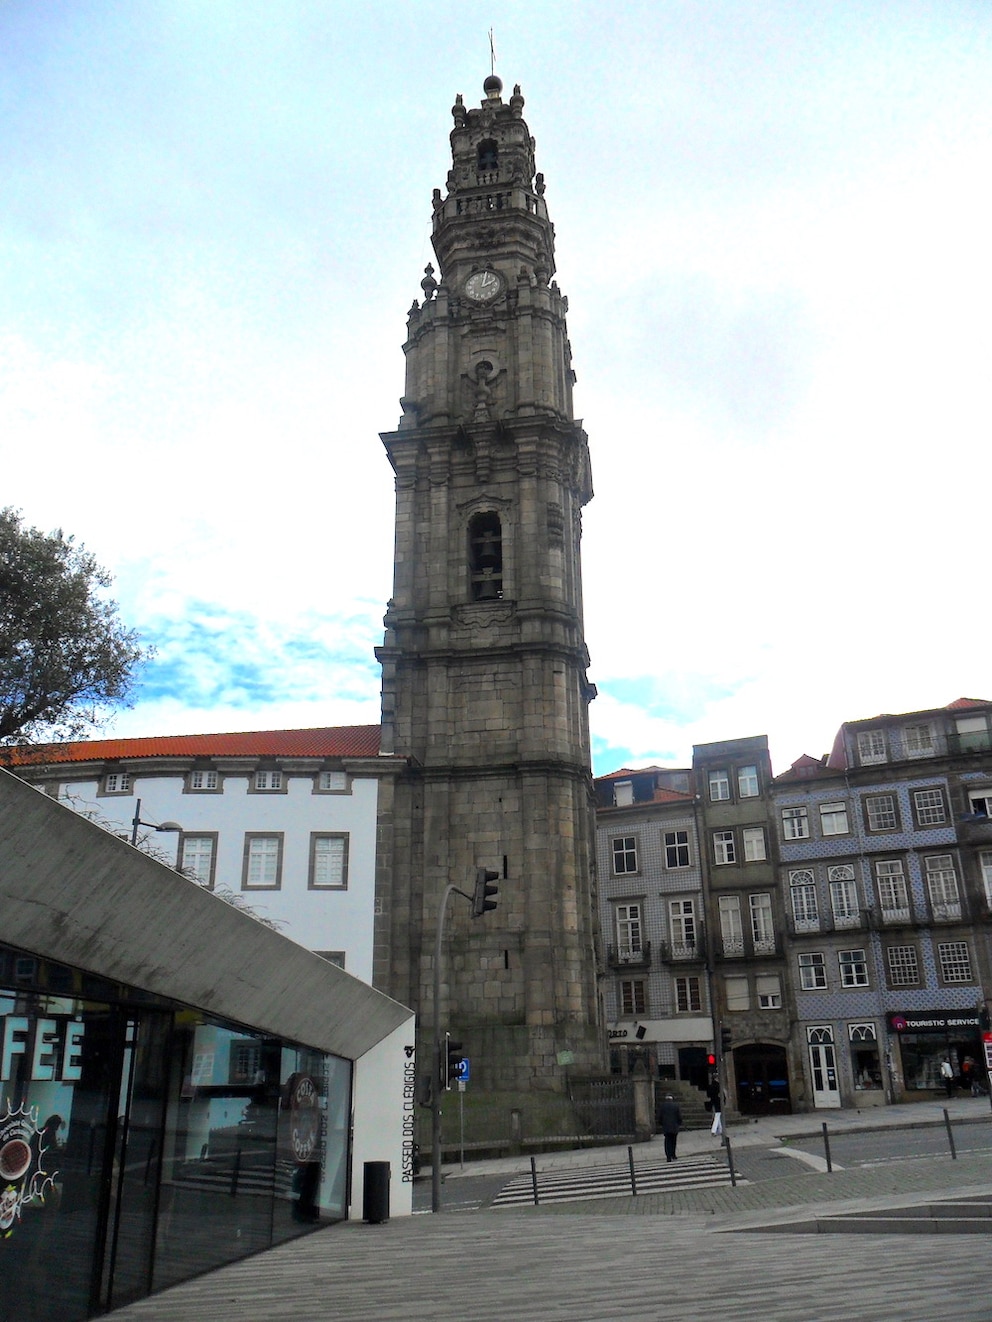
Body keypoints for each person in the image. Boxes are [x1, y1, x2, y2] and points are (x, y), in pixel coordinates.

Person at [657, 1093, 682, 1162]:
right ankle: (673, 1155)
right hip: (674, 1127)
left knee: (667, 1141)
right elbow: (679, 1116)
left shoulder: (662, 1106)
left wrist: (661, 1123)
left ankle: (668, 1156)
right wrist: (679, 1123)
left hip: (666, 1127)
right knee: (673, 1141)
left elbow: (659, 1117)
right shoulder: (676, 1106)